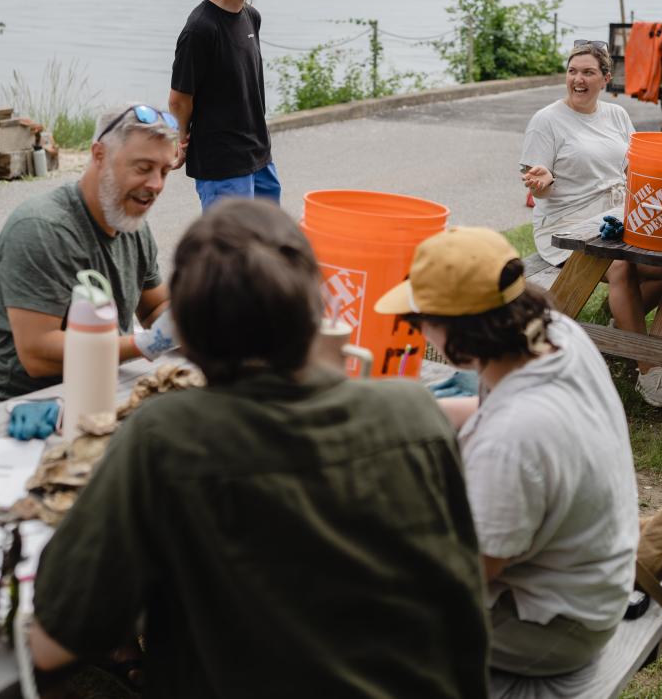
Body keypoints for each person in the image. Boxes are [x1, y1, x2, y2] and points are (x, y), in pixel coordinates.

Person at [28, 199, 490, 698]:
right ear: (319, 310)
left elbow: (53, 644)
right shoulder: (414, 412)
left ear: (187, 330)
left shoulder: (166, 436)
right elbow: (461, 613)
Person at [376, 226, 639, 678]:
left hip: (554, 625)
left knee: (350, 606)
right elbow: (487, 410)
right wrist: (402, 415)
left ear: (455, 332)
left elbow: (469, 572)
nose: (418, 335)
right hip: (593, 577)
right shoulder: (551, 334)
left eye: (417, 324)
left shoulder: (512, 438)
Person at [0, 105, 178, 404]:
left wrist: (187, 322)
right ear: (99, 155)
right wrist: (146, 343)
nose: (156, 184)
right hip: (21, 405)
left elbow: (154, 307)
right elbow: (38, 354)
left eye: (164, 171)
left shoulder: (131, 224)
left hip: (99, 388)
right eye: (143, 168)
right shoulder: (42, 228)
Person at [521, 40, 662, 407]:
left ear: (605, 78)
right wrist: (543, 182)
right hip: (565, 224)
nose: (578, 79)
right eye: (573, 71)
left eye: (588, 72)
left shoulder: (617, 115)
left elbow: (634, 166)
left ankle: (621, 325)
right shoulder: (546, 120)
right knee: (621, 266)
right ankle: (647, 369)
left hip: (614, 218)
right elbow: (538, 183)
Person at [168, 0, 288, 211]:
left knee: (267, 233)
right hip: (222, 163)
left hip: (259, 154)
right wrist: (182, 139)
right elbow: (179, 99)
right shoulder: (201, 28)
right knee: (230, 239)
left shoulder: (251, 16)